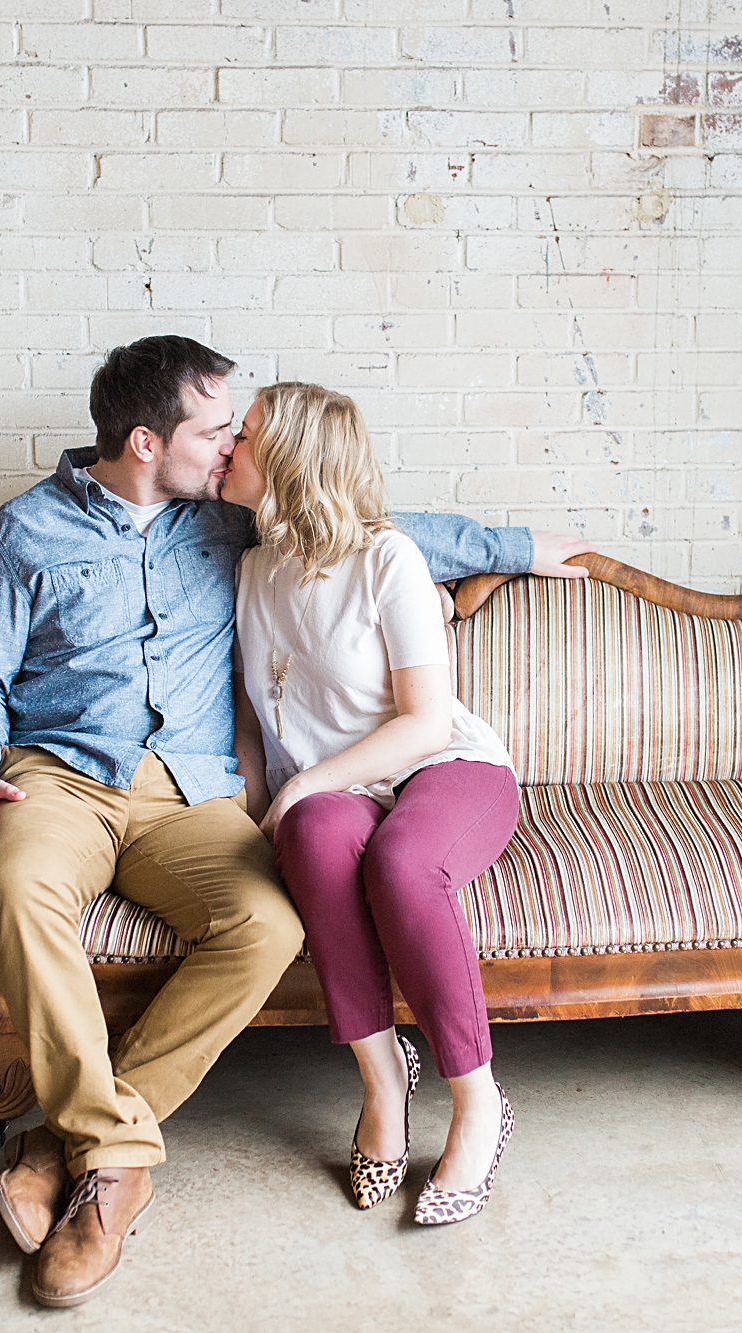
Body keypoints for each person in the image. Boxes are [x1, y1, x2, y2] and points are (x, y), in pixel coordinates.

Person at [0, 336, 592, 1306]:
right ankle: (113, 1167)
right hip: (59, 778)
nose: (232, 442)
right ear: (148, 440)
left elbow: (374, 528)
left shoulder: (225, 525)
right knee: (19, 889)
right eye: (216, 429)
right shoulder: (23, 534)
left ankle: (72, 1143)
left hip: (190, 793)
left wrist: (519, 547)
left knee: (266, 921)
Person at [221, 382, 525, 1226]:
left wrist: (303, 783)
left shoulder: (386, 558)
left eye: (242, 437)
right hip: (338, 790)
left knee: (399, 860)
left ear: (287, 459)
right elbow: (254, 717)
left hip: (445, 764)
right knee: (314, 836)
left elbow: (426, 720)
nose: (225, 449)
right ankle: (383, 1078)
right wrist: (263, 804)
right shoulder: (251, 569)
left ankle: (478, 1101)